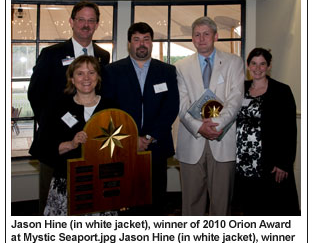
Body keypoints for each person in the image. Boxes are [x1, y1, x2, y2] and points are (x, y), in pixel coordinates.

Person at [28, 0, 110, 214]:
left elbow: (102, 95)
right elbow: (35, 94)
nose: (86, 25)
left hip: (92, 146)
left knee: (90, 202)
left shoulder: (103, 56)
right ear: (71, 22)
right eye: (81, 19)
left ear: (97, 24)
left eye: (91, 20)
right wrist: (52, 127)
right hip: (57, 144)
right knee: (52, 202)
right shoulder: (51, 54)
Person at [102, 22, 179, 215]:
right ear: (129, 43)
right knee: (125, 200)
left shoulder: (167, 71)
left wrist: (149, 137)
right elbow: (109, 110)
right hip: (122, 147)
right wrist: (130, 139)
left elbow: (171, 108)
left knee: (156, 201)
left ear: (152, 42)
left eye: (146, 39)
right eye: (136, 39)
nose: (141, 44)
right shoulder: (112, 71)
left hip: (157, 146)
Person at [175, 16, 244, 216]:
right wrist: (199, 127)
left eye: (206, 34)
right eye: (197, 34)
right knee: (191, 203)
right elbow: (181, 103)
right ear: (192, 39)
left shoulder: (234, 62)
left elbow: (236, 98)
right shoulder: (181, 66)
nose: (202, 38)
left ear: (216, 36)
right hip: (191, 139)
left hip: (222, 137)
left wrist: (216, 125)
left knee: (221, 203)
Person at [32, 55, 116, 215]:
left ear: (98, 78)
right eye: (80, 73)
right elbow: (41, 147)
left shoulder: (112, 107)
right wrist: (71, 144)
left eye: (91, 73)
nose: (86, 78)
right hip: (66, 184)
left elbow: (123, 148)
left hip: (102, 185)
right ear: (71, 78)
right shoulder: (56, 107)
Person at [235, 47, 300, 216]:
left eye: (262, 64)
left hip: (269, 161)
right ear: (248, 65)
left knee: (272, 208)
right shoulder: (240, 89)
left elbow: (289, 130)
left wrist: (284, 163)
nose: (258, 68)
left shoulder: (281, 91)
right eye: (254, 64)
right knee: (249, 206)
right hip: (243, 160)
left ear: (269, 66)